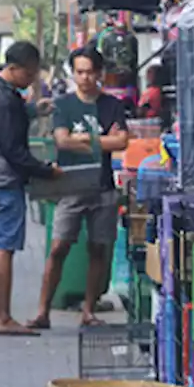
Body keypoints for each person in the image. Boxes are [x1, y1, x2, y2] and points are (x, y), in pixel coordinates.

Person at [28, 47, 129, 329]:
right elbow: (62, 141)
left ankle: (88, 310)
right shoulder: (64, 104)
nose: (84, 78)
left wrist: (83, 138)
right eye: (79, 72)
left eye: (89, 72)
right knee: (59, 247)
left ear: (99, 74)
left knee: (98, 248)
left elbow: (122, 142)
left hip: (103, 186)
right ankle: (42, 311)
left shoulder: (112, 105)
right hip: (69, 185)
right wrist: (100, 139)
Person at [0, 41, 60, 336]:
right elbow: (12, 149)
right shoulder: (5, 99)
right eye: (30, 73)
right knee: (3, 250)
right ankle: (3, 316)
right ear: (15, 68)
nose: (32, 79)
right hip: (4, 181)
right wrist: (45, 170)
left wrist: (33, 110)